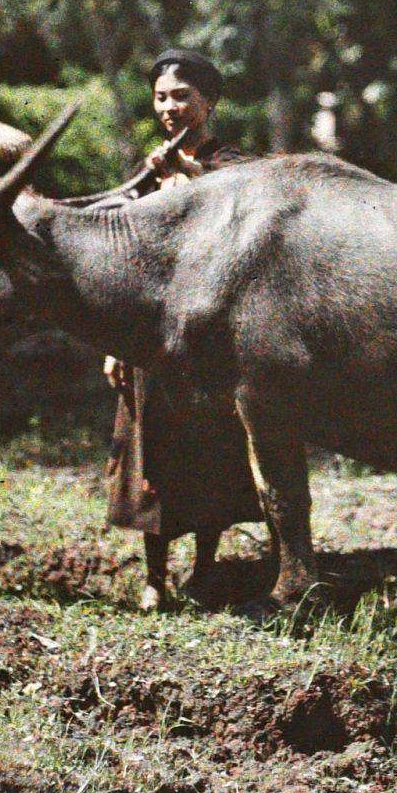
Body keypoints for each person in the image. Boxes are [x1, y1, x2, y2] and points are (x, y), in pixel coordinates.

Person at [105, 48, 268, 610]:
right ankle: (154, 577)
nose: (169, 107)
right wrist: (114, 344)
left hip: (208, 338)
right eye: (160, 97)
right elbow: (127, 261)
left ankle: (203, 569)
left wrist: (192, 178)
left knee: (211, 448)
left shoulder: (233, 166)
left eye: (181, 96)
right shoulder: (148, 173)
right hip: (150, 336)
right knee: (150, 447)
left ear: (208, 102)